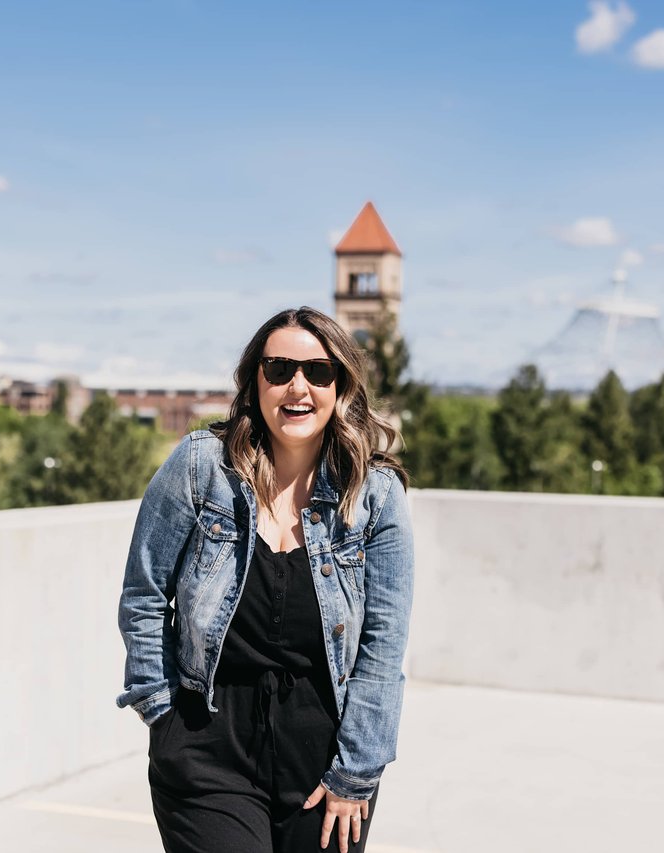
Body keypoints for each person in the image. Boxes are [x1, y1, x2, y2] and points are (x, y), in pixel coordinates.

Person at [116, 306, 415, 853]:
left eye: (318, 371)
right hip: (207, 740)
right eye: (279, 369)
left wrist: (358, 771)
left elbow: (382, 647)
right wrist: (162, 715)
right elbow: (143, 594)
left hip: (326, 753)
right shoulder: (202, 467)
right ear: (255, 381)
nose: (297, 386)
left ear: (340, 385)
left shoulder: (375, 495)